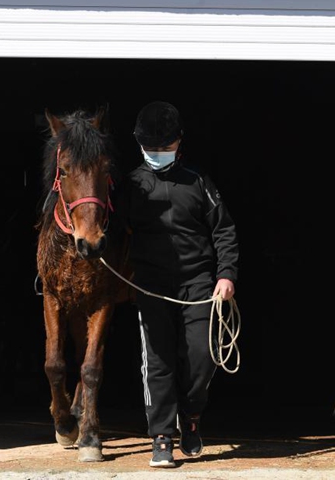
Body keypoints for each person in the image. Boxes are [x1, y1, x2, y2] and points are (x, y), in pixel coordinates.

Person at [125, 101, 239, 468]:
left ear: (179, 143)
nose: (159, 155)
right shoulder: (131, 186)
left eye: (166, 148)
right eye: (152, 149)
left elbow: (224, 229)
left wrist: (227, 275)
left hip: (198, 284)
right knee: (157, 362)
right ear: (140, 144)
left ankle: (190, 419)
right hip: (151, 285)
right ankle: (161, 436)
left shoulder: (198, 180)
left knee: (201, 359)